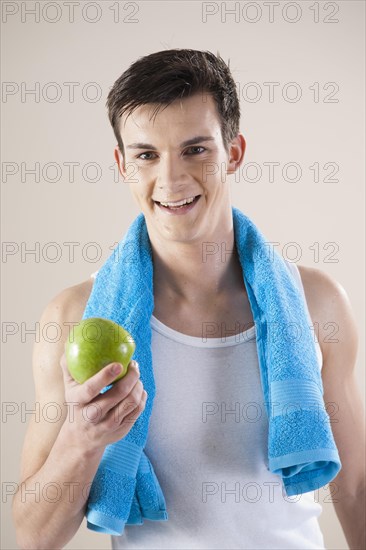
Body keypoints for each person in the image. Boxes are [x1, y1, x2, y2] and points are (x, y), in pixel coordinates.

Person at [12, 49, 365, 550]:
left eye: (196, 149)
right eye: (146, 154)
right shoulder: (74, 318)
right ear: (122, 165)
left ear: (234, 152)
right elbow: (32, 537)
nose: (172, 180)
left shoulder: (318, 304)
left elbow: (354, 488)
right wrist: (81, 439)